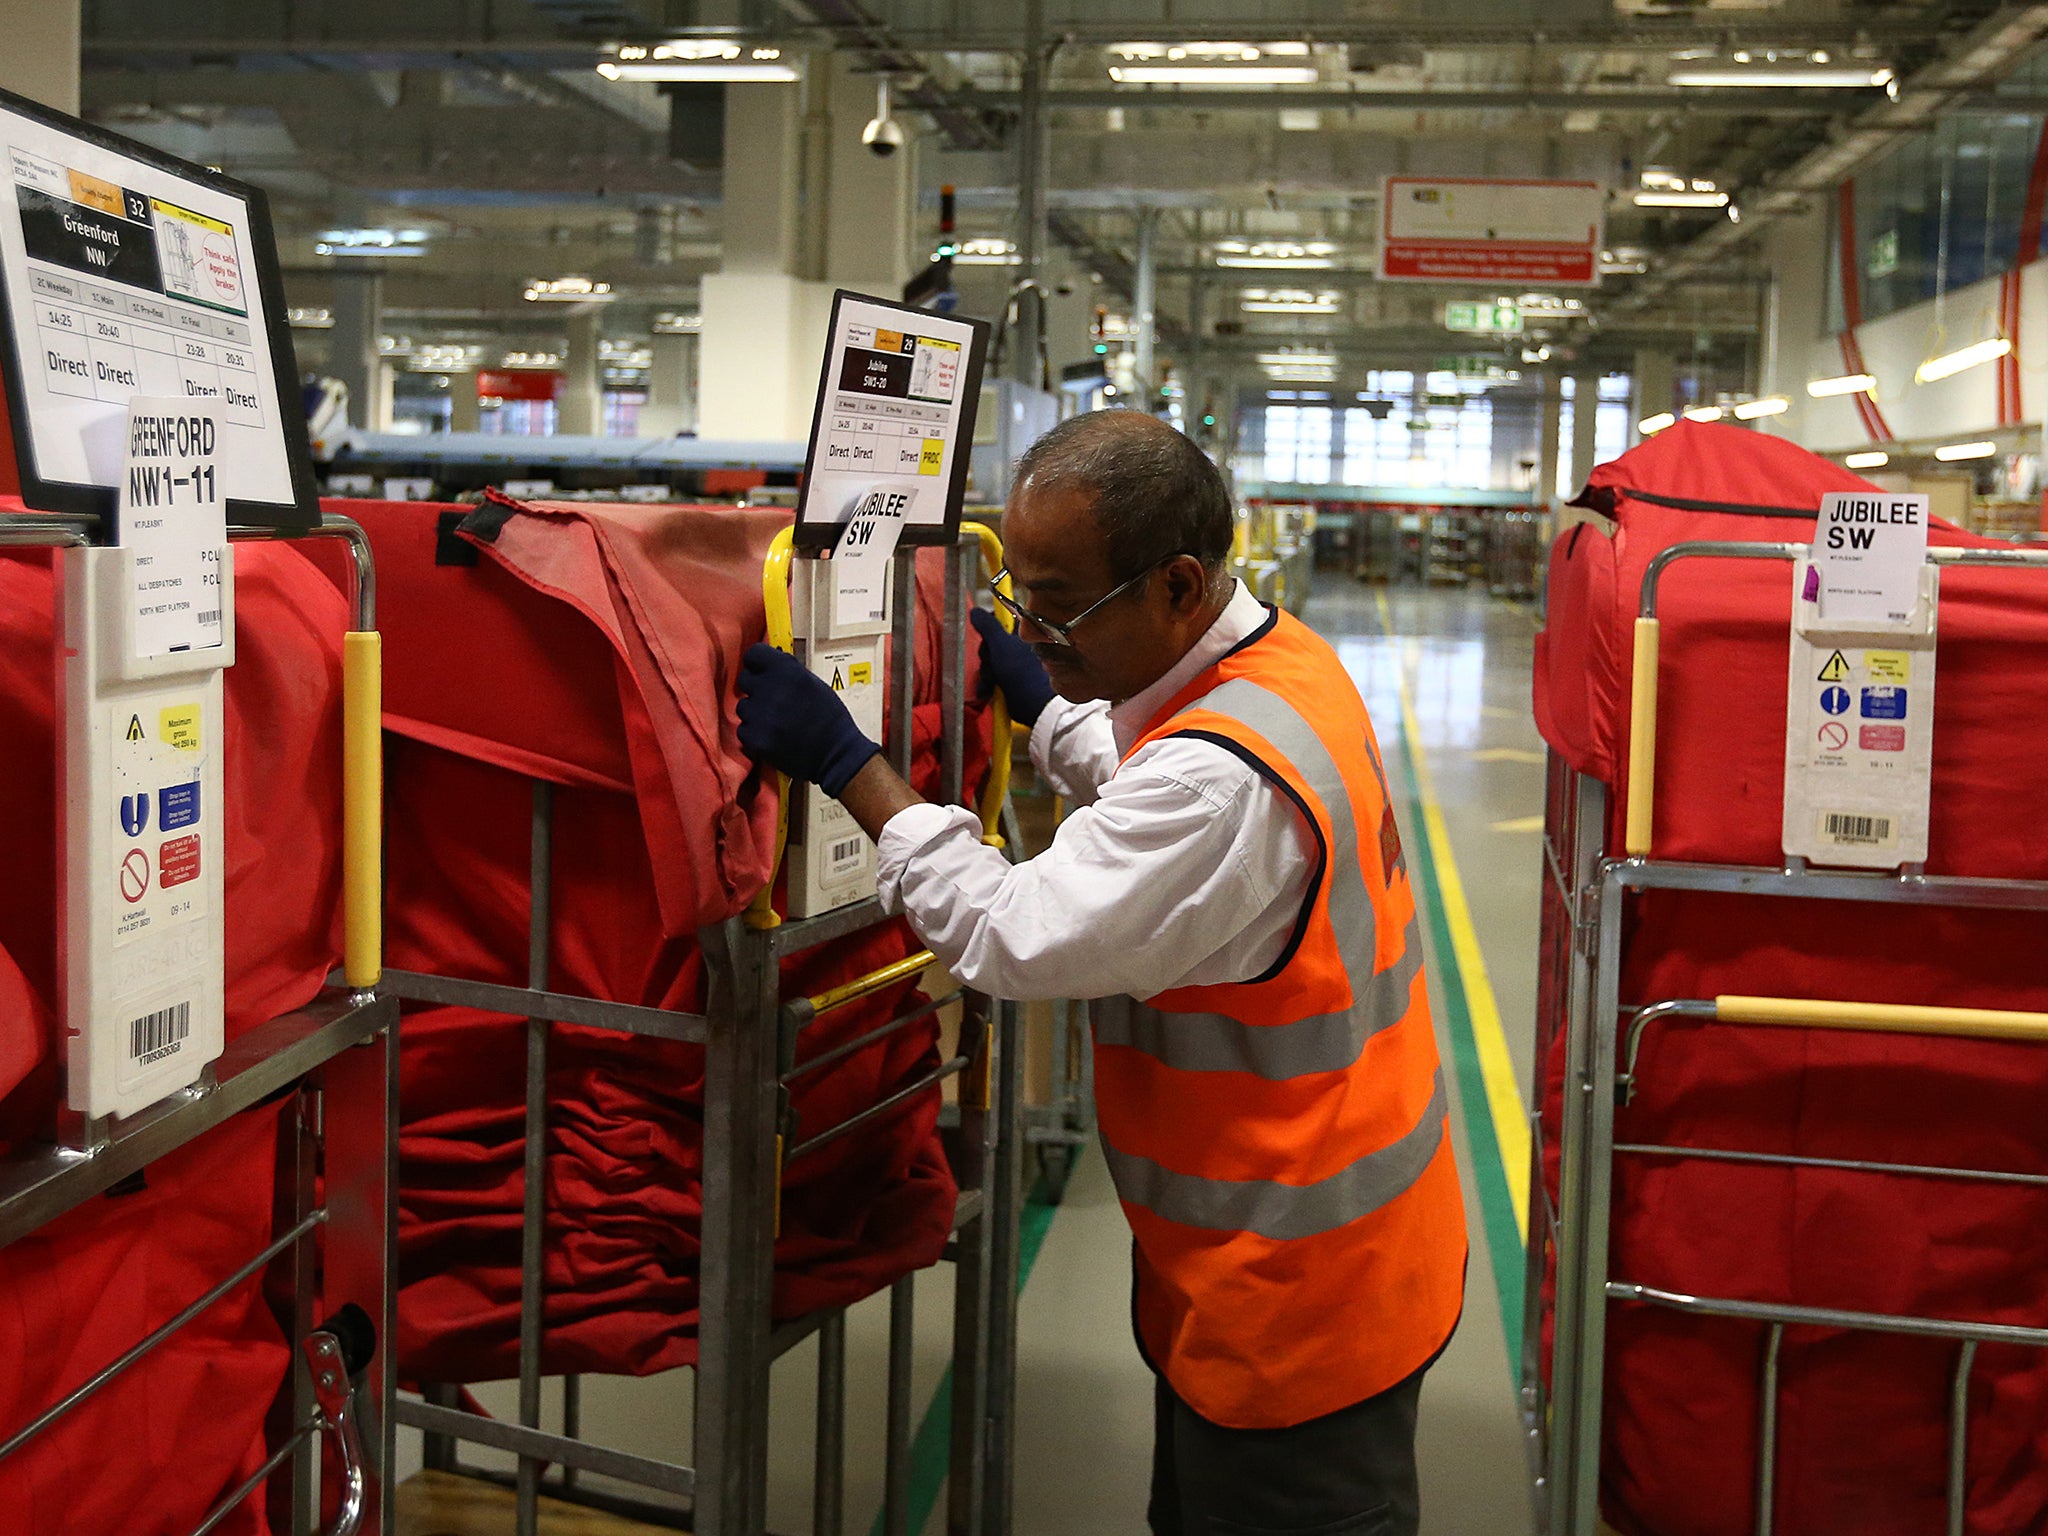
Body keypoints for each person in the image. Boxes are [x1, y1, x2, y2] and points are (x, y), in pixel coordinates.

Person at [736, 409, 1466, 1536]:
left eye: (1059, 600)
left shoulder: (1218, 785)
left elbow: (1012, 931)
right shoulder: (1280, 663)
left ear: (1177, 585)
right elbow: (1153, 770)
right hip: (1318, 1241)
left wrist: (850, 767)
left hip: (1297, 1297)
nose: (1034, 620)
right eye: (1021, 590)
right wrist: (1043, 699)